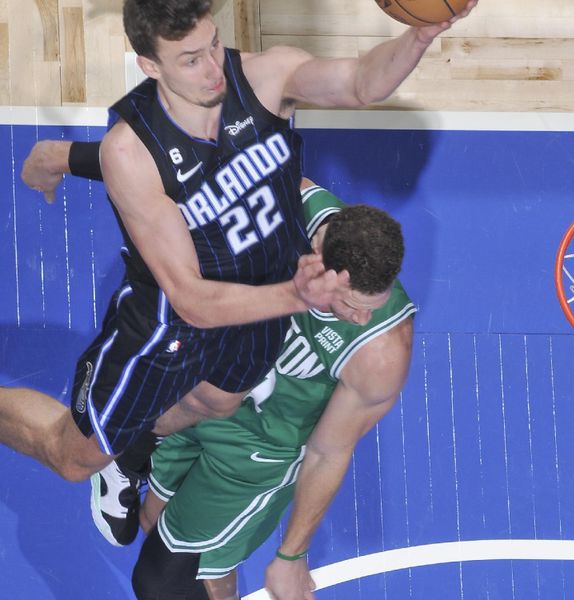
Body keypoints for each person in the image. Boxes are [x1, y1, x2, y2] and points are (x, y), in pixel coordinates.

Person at [8, 0, 475, 548]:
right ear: (149, 66)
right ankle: (109, 451)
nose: (212, 69)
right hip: (169, 324)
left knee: (218, 400)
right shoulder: (128, 153)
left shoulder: (264, 75)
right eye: (189, 60)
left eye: (212, 45)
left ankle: (132, 451)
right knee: (72, 457)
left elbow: (361, 84)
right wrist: (296, 295)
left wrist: (419, 35)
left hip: (263, 303)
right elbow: (192, 301)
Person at [133, 180, 415, 600]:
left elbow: (328, 452)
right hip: (204, 390)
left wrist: (291, 555)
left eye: (373, 304)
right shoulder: (289, 204)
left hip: (258, 451)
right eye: (352, 304)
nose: (359, 318)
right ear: (318, 257)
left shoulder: (380, 351)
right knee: (152, 519)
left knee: (167, 581)